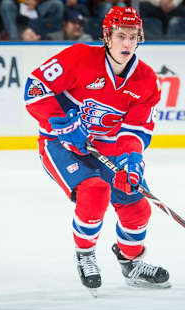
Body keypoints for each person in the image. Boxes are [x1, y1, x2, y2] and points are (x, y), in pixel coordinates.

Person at [24, 6, 169, 294]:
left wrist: (132, 160)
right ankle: (86, 256)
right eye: (120, 36)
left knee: (137, 206)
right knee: (94, 191)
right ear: (107, 36)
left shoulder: (146, 80)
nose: (127, 43)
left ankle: (131, 263)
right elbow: (35, 87)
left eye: (133, 36)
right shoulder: (79, 58)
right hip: (61, 143)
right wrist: (62, 123)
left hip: (108, 148)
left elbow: (137, 129)